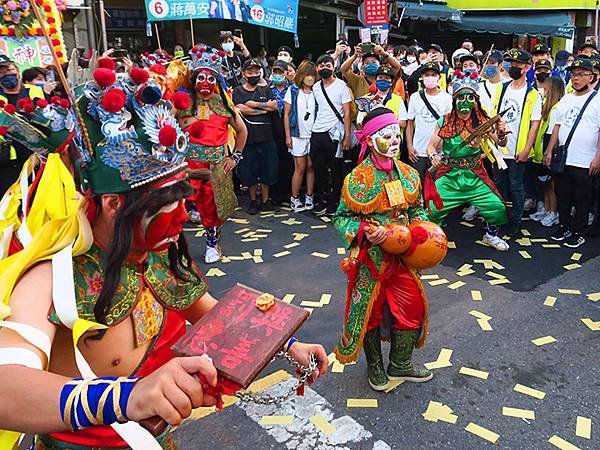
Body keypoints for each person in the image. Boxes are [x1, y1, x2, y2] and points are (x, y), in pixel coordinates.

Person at [0, 60, 327, 450]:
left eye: (181, 201)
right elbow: (6, 388)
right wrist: (128, 397)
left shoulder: (157, 257)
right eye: (165, 204)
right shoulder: (55, 278)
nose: (179, 219)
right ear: (112, 206)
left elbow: (214, 313)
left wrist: (289, 346)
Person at [333, 107, 434, 391]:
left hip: (405, 258)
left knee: (412, 307)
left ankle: (400, 363)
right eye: (386, 135)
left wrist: (419, 230)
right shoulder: (357, 179)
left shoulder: (408, 174)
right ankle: (375, 365)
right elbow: (342, 217)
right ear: (370, 139)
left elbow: (418, 210)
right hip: (372, 259)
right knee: (370, 313)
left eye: (397, 134)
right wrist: (366, 231)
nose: (394, 141)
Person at [176, 46, 248, 264]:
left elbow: (243, 130)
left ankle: (212, 244)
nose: (205, 82)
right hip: (187, 165)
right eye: (201, 77)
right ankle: (173, 248)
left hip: (215, 166)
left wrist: (234, 157)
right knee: (175, 207)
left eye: (210, 78)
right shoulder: (183, 102)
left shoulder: (224, 103)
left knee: (212, 210)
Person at [426, 70, 510, 251]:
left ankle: (491, 235)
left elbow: (500, 142)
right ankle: (433, 238)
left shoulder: (482, 121)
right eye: (461, 98)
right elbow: (431, 146)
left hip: (475, 174)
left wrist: (502, 131)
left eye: (470, 98)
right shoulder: (444, 122)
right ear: (454, 100)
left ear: (475, 101)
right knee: (431, 209)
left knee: (497, 207)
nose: (465, 102)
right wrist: (434, 157)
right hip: (450, 174)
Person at [544, 58, 600, 248]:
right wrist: (550, 150)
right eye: (574, 74)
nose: (576, 78)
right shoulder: (566, 98)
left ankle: (578, 231)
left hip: (585, 160)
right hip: (564, 158)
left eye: (581, 74)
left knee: (582, 199)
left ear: (591, 77)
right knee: (563, 196)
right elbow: (557, 127)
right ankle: (564, 226)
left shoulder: (597, 100)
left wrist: (598, 158)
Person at [488, 49, 542, 236]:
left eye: (518, 65)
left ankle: (516, 221)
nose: (513, 67)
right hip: (499, 147)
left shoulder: (533, 94)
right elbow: (493, 116)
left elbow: (534, 126)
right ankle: (499, 218)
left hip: (518, 149)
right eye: (511, 64)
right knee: (498, 184)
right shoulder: (501, 89)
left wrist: (527, 149)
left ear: (527, 67)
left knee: (516, 185)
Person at [233, 58, 279, 214]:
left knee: (268, 170)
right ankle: (253, 201)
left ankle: (266, 201)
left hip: (267, 137)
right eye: (250, 72)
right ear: (244, 74)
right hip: (248, 139)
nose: (254, 75)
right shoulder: (238, 91)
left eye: (257, 72)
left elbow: (274, 106)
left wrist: (254, 104)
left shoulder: (265, 89)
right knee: (249, 171)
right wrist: (263, 110)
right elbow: (240, 109)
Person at [310, 54, 352, 215]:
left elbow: (346, 114)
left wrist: (347, 136)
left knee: (335, 169)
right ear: (316, 68)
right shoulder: (315, 87)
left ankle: (335, 202)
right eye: (321, 65)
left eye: (328, 64)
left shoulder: (341, 86)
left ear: (333, 66)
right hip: (317, 132)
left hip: (334, 133)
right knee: (318, 168)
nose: (324, 68)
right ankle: (323, 199)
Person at [0, 55, 46, 197]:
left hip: (37, 157)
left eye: (9, 70)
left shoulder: (35, 91)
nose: (6, 75)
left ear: (17, 71)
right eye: (1, 72)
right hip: (8, 161)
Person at [406, 62, 453, 179]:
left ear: (439, 77)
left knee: (437, 187)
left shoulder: (447, 98)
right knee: (419, 185)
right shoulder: (415, 97)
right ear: (422, 77)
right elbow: (410, 124)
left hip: (439, 152)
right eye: (427, 75)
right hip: (418, 151)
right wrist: (409, 146)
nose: (430, 78)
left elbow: (449, 125)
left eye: (433, 74)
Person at [530, 76, 565, 227]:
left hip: (548, 150)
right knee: (544, 183)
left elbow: (553, 135)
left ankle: (553, 212)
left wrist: (548, 152)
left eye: (546, 88)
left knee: (551, 184)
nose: (543, 91)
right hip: (540, 150)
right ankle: (546, 209)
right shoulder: (546, 107)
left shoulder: (557, 108)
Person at [284, 60, 317, 212]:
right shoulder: (292, 91)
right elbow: (286, 114)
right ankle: (295, 197)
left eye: (312, 75)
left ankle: (309, 195)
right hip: (297, 134)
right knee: (300, 167)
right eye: (307, 74)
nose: (310, 78)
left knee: (311, 166)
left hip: (314, 135)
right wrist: (288, 136)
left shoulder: (317, 90)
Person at [269, 60, 294, 207]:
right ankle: (276, 194)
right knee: (274, 162)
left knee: (289, 162)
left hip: (290, 128)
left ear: (286, 73)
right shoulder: (267, 89)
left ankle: (289, 193)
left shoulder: (293, 89)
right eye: (275, 72)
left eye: (280, 72)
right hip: (272, 128)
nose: (277, 75)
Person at [479, 50, 504, 114]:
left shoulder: (508, 86)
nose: (488, 66)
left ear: (500, 65)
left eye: (492, 63)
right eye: (486, 63)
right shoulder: (479, 86)